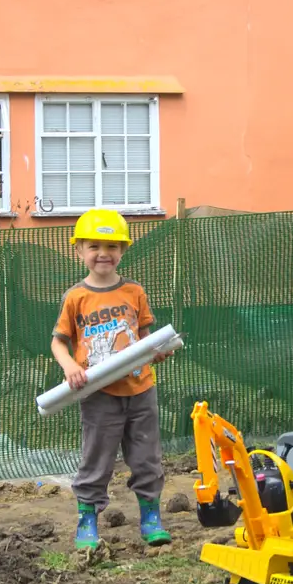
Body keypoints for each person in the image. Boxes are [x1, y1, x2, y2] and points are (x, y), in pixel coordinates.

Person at [51, 208, 175, 551]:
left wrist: (158, 351)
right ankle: (87, 520)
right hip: (99, 394)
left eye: (112, 246)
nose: (103, 253)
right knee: (97, 458)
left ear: (123, 251)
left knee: (147, 456)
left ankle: (151, 518)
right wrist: (68, 367)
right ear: (79, 251)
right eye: (94, 246)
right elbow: (58, 341)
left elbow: (145, 336)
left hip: (140, 390)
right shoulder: (76, 297)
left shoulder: (134, 291)